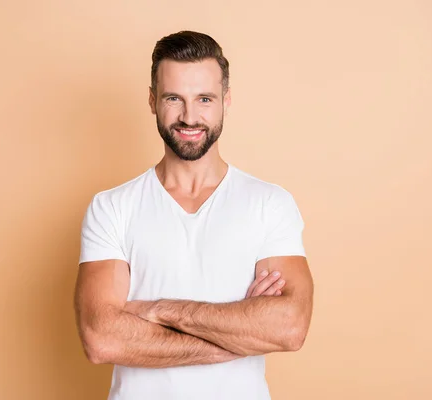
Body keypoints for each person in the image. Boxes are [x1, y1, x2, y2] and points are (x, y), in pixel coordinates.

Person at [74, 30, 314, 400]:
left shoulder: (269, 203)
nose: (190, 117)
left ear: (226, 101)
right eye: (174, 98)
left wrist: (159, 309)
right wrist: (240, 335)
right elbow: (101, 338)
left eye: (205, 99)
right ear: (153, 101)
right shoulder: (112, 207)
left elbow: (289, 327)